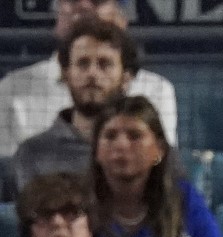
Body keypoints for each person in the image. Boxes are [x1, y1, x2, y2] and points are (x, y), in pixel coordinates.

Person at [0, 0, 175, 159]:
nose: (83, 6)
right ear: (58, 14)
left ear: (121, 18)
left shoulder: (155, 89)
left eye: (96, 1)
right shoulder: (13, 87)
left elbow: (162, 168)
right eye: (72, 0)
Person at [87, 96, 223, 237]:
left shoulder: (184, 200)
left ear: (159, 150)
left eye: (134, 136)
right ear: (96, 151)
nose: (121, 145)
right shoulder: (78, 204)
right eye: (110, 136)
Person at [12, 17, 134, 191]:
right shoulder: (33, 153)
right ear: (65, 74)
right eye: (83, 63)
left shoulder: (150, 150)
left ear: (126, 78)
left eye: (104, 64)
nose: (92, 73)